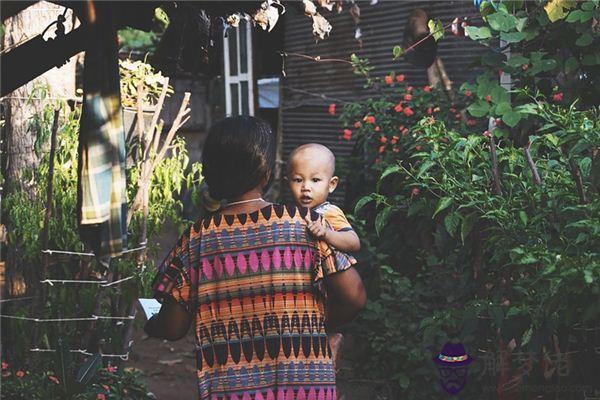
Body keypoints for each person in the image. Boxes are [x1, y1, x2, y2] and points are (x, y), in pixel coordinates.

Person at [145, 116, 366, 399]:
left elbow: (174, 327)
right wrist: (313, 333)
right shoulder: (304, 224)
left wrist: (152, 324)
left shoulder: (197, 238)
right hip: (305, 385)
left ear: (210, 174)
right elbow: (355, 296)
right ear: (267, 174)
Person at [286, 143, 361, 370]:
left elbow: (353, 242)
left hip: (330, 285)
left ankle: (330, 339)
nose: (306, 188)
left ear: (332, 184)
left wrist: (327, 233)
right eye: (298, 180)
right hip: (304, 286)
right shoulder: (291, 213)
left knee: (315, 328)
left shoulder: (329, 212)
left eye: (315, 180)